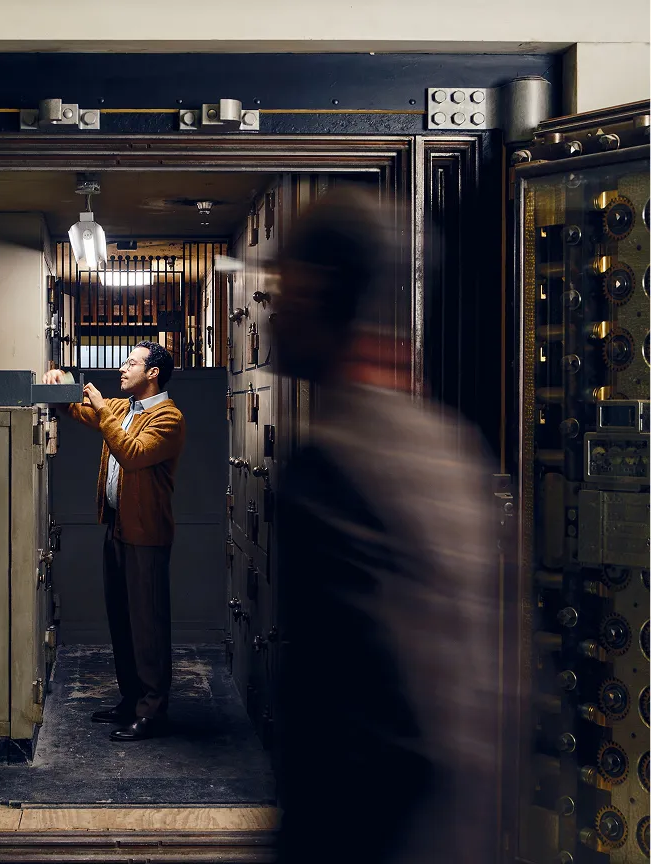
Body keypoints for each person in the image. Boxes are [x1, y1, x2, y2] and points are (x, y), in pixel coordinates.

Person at [270, 187, 498, 863]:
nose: (273, 312)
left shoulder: (336, 463)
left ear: (316, 290)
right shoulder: (451, 445)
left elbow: (365, 740)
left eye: (280, 287)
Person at [42, 341, 185, 741]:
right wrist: (62, 381)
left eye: (131, 363)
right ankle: (131, 700)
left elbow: (134, 453)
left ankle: (153, 711)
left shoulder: (169, 417)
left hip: (147, 533)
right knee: (122, 619)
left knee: (148, 624)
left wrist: (104, 410)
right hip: (117, 526)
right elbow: (78, 408)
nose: (122, 369)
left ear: (153, 373)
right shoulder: (125, 409)